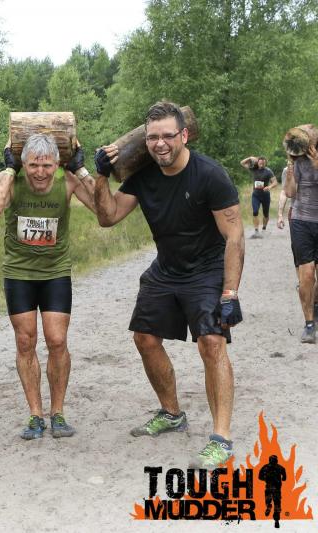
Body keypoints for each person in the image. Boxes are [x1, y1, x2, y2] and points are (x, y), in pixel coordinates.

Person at [92, 101, 244, 469]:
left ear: (184, 135)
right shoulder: (143, 176)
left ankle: (221, 438)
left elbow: (235, 236)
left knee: (211, 343)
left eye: (167, 136)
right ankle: (172, 413)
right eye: (152, 138)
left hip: (207, 269)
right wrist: (100, 176)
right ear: (144, 141)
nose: (160, 144)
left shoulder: (209, 175)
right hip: (166, 268)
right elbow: (108, 217)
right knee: (144, 338)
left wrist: (230, 293)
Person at [0, 134, 96, 439]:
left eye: (47, 165)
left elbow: (103, 210)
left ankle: (58, 413)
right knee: (25, 342)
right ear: (23, 163)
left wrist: (82, 169)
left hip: (55, 272)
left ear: (57, 163)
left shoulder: (67, 181)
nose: (40, 172)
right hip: (19, 273)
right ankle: (35, 415)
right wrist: (9, 170)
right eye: (33, 165)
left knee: (57, 341)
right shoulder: (10, 181)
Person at [283, 146, 318, 343]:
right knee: (307, 275)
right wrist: (290, 170)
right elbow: (289, 192)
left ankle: (315, 303)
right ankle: (309, 324)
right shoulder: (298, 163)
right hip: (301, 221)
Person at [240, 156, 277, 238]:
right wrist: (250, 157)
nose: (262, 164)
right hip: (256, 195)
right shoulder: (253, 169)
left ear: (265, 163)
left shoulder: (268, 171)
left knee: (266, 214)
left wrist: (269, 187)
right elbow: (242, 163)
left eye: (263, 163)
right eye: (260, 163)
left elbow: (275, 182)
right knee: (255, 211)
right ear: (258, 162)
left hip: (265, 195)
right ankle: (256, 231)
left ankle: (264, 229)